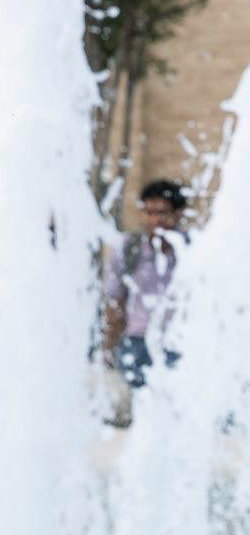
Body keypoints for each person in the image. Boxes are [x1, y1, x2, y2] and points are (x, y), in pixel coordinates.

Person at [101, 178, 188, 416]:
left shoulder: (192, 252)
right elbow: (115, 299)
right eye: (148, 212)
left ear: (178, 214)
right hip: (136, 342)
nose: (155, 220)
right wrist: (108, 347)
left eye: (162, 213)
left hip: (179, 344)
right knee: (137, 416)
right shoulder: (129, 249)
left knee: (175, 413)